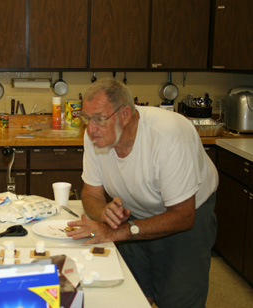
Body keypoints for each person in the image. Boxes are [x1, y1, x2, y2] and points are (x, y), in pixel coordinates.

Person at [67, 78, 218, 308]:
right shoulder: (96, 136)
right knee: (134, 292)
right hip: (134, 212)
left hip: (187, 213)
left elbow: (183, 216)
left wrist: (124, 231)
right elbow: (91, 192)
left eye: (98, 118)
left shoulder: (168, 136)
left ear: (125, 114)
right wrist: (103, 212)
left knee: (178, 297)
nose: (90, 129)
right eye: (87, 119)